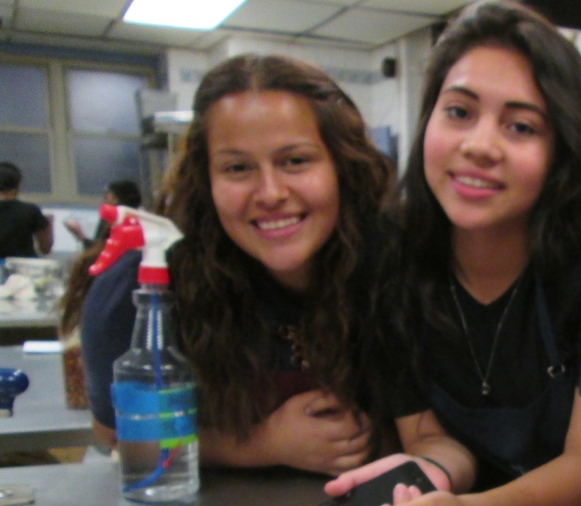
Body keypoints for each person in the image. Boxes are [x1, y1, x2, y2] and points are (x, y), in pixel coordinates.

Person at [324, 0, 581, 506]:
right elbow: (429, 435)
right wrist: (427, 480)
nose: (480, 144)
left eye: (520, 126)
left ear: (564, 149)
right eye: (459, 112)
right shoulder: (390, 255)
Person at [80, 55, 400, 475]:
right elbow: (119, 434)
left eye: (296, 160)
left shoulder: (397, 267)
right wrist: (259, 445)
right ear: (206, 178)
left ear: (343, 165)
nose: (270, 193)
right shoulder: (145, 288)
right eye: (238, 168)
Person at [65, 180, 142, 249]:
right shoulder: (142, 221)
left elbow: (96, 254)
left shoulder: (112, 223)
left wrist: (80, 234)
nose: (103, 202)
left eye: (106, 197)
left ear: (116, 200)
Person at [0, 161, 53, 257]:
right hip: (24, 268)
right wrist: (49, 223)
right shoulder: (30, 211)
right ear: (18, 185)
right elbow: (46, 248)